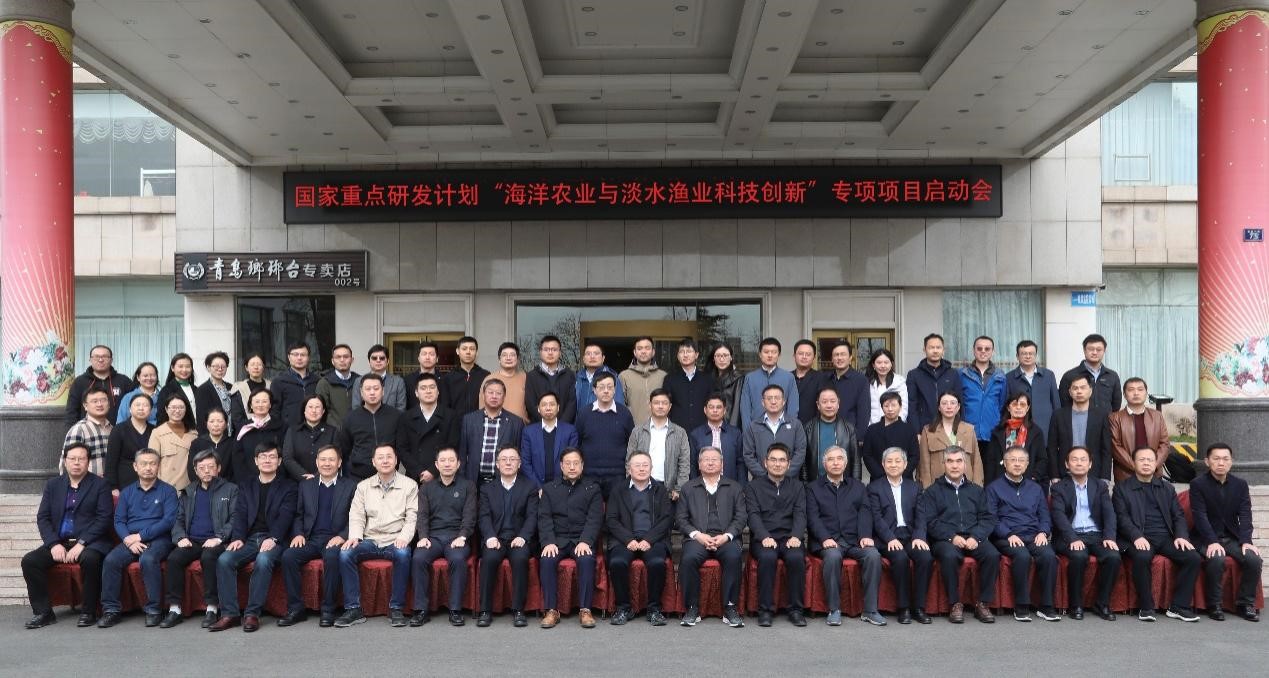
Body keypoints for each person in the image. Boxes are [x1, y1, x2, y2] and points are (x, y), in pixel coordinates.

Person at [21, 443, 113, 629]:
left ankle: (89, 611)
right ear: (65, 461)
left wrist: (82, 543)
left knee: (90, 559)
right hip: (60, 542)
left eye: (81, 459)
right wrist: (54, 543)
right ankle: (43, 613)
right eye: (72, 459)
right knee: (30, 561)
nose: (76, 463)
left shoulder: (100, 485)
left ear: (88, 462)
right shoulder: (53, 485)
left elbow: (104, 518)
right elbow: (43, 517)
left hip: (90, 542)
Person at [209, 443, 298, 632]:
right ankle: (230, 614)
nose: (267, 460)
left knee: (264, 560)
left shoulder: (289, 486)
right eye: (263, 456)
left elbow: (286, 515)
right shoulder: (246, 485)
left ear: (279, 461)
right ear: (256, 461)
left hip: (275, 539)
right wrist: (238, 537)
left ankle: (252, 614)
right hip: (249, 539)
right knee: (224, 560)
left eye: (272, 457)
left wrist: (273, 538)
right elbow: (240, 513)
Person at [1114, 447, 1201, 622]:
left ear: (1156, 464)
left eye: (1150, 460)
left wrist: (1181, 536)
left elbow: (1178, 516)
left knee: (1192, 557)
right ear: (1133, 463)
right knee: (1142, 556)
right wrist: (1136, 536)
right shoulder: (1122, 489)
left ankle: (1178, 606)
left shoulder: (1166, 488)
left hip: (1165, 537)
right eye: (1142, 460)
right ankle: (1146, 607)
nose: (1146, 463)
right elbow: (1122, 518)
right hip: (1139, 537)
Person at [337, 444, 419, 628]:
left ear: (396, 460)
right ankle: (353, 608)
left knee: (403, 554)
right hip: (370, 539)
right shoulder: (363, 486)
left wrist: (404, 538)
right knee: (345, 554)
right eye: (380, 457)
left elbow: (412, 517)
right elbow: (356, 515)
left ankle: (396, 608)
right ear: (373, 462)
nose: (385, 461)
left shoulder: (410, 485)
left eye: (389, 457)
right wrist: (355, 536)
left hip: (395, 538)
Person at [915, 446, 999, 624]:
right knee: (949, 555)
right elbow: (930, 521)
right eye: (950, 461)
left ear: (965, 464)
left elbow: (988, 518)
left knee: (992, 554)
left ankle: (983, 604)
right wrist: (952, 537)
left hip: (974, 537)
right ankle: (955, 604)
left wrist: (976, 537)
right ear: (943, 464)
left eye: (959, 461)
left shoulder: (977, 490)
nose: (955, 466)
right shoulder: (932, 492)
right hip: (945, 539)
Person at [97, 448, 178, 628]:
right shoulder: (127, 492)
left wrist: (140, 536)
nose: (148, 467)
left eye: (152, 463)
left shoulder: (168, 491)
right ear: (135, 466)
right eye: (144, 464)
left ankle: (154, 610)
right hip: (130, 540)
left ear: (158, 466)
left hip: (159, 539)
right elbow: (119, 520)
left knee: (148, 559)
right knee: (111, 561)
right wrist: (127, 539)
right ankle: (111, 610)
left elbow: (168, 521)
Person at [278, 445, 357, 628]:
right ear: (316, 462)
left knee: (332, 557)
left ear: (339, 463)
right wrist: (298, 533)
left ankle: (328, 609)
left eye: (331, 460)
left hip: (335, 538)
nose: (326, 463)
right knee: (288, 556)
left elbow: (356, 516)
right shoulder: (306, 485)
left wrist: (343, 536)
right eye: (323, 460)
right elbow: (298, 515)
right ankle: (296, 609)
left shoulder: (350, 486)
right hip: (311, 538)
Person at [807, 445, 887, 626]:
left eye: (839, 459)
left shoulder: (858, 487)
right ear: (824, 464)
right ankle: (834, 609)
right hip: (828, 541)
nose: (835, 463)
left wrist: (865, 535)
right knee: (833, 556)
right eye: (831, 459)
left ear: (846, 463)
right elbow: (812, 517)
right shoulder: (813, 488)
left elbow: (865, 512)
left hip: (854, 540)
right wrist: (825, 538)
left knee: (873, 555)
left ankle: (870, 610)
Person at [160, 448, 238, 629]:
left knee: (208, 557)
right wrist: (180, 537)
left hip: (217, 540)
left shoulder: (231, 489)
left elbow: (235, 518)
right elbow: (178, 519)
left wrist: (219, 537)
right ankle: (174, 609)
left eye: (211, 466)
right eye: (202, 468)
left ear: (219, 468)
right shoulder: (189, 491)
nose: (207, 471)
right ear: (195, 470)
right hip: (192, 540)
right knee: (174, 558)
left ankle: (212, 608)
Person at [985, 446, 1060, 622]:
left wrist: (1043, 532)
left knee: (1049, 556)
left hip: (1033, 535)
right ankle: (1021, 605)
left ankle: (1046, 606)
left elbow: (1044, 515)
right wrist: (1008, 534)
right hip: (1006, 536)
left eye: (1021, 460)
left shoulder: (1035, 488)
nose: (1017, 464)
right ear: (1005, 463)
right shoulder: (993, 488)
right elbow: (991, 518)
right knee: (1022, 555)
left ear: (1027, 465)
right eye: (1013, 460)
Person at [1189, 443, 1262, 622]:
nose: (1221, 463)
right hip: (1204, 537)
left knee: (1253, 559)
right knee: (1216, 558)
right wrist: (1212, 541)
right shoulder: (1198, 484)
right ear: (1207, 461)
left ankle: (1245, 604)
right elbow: (1200, 516)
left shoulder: (1240, 485)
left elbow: (1245, 515)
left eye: (1225, 459)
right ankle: (1214, 605)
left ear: (1231, 462)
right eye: (1216, 459)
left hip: (1231, 537)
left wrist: (1246, 541)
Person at [676, 446, 747, 628]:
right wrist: (697, 535)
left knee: (733, 557)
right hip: (698, 538)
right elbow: (681, 519)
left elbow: (741, 517)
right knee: (689, 558)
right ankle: (692, 607)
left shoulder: (734, 487)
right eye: (706, 459)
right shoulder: (688, 488)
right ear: (699, 464)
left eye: (714, 459)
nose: (710, 463)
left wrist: (727, 536)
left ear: (722, 464)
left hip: (726, 538)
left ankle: (730, 607)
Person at [1050, 446, 1121, 621]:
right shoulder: (1059, 488)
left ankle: (1102, 603)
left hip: (1095, 535)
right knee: (1079, 556)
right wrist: (1072, 538)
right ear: (1067, 464)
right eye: (1074, 459)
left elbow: (1109, 514)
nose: (1079, 463)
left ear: (1090, 464)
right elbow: (1059, 516)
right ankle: (1076, 604)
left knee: (1113, 556)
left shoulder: (1100, 486)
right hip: (1069, 535)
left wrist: (1109, 537)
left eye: (1083, 459)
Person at [409, 447, 476, 627]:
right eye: (443, 461)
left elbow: (470, 515)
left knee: (458, 559)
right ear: (437, 465)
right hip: (433, 538)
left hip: (457, 537)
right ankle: (421, 610)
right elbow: (422, 516)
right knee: (418, 558)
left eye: (451, 460)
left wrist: (462, 536)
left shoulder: (468, 486)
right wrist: (423, 536)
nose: (447, 464)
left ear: (458, 464)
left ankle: (455, 610)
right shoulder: (426, 488)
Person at [537, 448, 603, 629]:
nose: (572, 467)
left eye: (576, 463)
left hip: (581, 540)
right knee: (547, 559)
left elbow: (594, 518)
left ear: (582, 465)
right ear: (561, 466)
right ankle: (551, 610)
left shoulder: (593, 488)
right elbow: (544, 518)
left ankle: (585, 610)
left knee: (586, 559)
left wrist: (585, 541)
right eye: (568, 463)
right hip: (557, 540)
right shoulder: (549, 489)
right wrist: (548, 541)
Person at [745, 443, 810, 627]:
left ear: (788, 464)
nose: (777, 464)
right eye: (773, 460)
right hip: (763, 538)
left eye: (782, 460)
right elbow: (753, 515)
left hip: (790, 538)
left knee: (796, 558)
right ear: (765, 463)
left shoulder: (797, 486)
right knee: (767, 558)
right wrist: (764, 536)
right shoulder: (753, 487)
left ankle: (796, 610)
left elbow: (800, 514)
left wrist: (796, 535)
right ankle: (765, 610)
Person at [606, 450, 673, 626]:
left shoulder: (660, 490)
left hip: (653, 539)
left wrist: (648, 540)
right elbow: (611, 519)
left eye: (645, 465)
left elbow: (666, 519)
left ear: (651, 468)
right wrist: (628, 539)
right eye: (637, 465)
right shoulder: (618, 490)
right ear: (629, 469)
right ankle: (623, 608)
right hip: (624, 540)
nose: (642, 469)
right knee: (617, 562)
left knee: (657, 562)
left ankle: (654, 609)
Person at [866, 447, 933, 624]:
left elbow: (921, 516)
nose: (893, 465)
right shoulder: (874, 488)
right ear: (883, 464)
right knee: (900, 558)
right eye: (889, 461)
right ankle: (904, 608)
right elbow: (876, 518)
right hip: (887, 537)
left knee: (925, 557)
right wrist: (890, 538)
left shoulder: (915, 487)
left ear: (905, 464)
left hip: (910, 535)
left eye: (898, 461)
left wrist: (919, 536)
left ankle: (919, 607)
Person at [476, 446, 538, 628]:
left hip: (518, 538)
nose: (508, 463)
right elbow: (484, 516)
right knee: (489, 559)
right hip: (496, 538)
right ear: (497, 464)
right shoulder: (487, 489)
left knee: (520, 559)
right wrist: (489, 537)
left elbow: (532, 516)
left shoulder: (529, 487)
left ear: (519, 464)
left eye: (513, 459)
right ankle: (485, 610)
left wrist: (523, 536)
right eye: (504, 459)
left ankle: (518, 610)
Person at [573, 372, 635, 492]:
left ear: (615, 390)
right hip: (589, 475)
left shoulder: (624, 414)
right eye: (601, 387)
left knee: (616, 505)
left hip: (618, 475)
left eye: (609, 387)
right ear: (594, 390)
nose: (606, 391)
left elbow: (631, 444)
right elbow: (577, 443)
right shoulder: (584, 414)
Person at [396, 373, 461, 485]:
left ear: (438, 391)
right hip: (415, 476)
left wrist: (433, 471)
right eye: (423, 388)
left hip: (443, 475)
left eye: (432, 387)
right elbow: (402, 449)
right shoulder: (406, 417)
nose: (428, 391)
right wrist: (419, 471)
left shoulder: (450, 416)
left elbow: (453, 445)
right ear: (416, 393)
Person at [626, 388, 691, 498]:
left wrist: (679, 489)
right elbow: (629, 460)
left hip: (669, 491)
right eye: (656, 403)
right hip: (641, 487)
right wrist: (632, 485)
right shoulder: (638, 431)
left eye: (664, 403)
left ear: (670, 406)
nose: (660, 406)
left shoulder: (680, 433)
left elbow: (684, 463)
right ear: (650, 405)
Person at [1047, 374, 1114, 481]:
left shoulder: (1101, 415)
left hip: (1094, 473)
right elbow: (1052, 448)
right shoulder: (1058, 415)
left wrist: (1105, 477)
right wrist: (1054, 475)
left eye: (1083, 388)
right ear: (1070, 392)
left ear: (1090, 391)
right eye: (1075, 388)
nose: (1079, 391)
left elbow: (1106, 449)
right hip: (1065, 473)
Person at [338, 374, 403, 480]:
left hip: (390, 474)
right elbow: (345, 449)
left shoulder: (396, 416)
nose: (372, 392)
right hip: (358, 476)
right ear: (361, 392)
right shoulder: (350, 418)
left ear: (383, 391)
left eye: (376, 389)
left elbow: (401, 446)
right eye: (368, 389)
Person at [460, 379, 526, 484]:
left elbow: (519, 455)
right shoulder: (469, 420)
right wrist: (462, 480)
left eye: (499, 393)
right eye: (490, 392)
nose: (494, 396)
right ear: (483, 395)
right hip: (473, 481)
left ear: (504, 397)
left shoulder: (516, 422)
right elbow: (463, 454)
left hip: (502, 482)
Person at [1107, 378, 1170, 482]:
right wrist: (1136, 466)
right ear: (1124, 394)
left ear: (1146, 393)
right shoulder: (1115, 418)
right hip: (1126, 476)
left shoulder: (1157, 416)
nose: (1136, 393)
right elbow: (1115, 447)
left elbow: (1165, 444)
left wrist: (1153, 465)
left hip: (1154, 475)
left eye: (1140, 389)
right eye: (1131, 390)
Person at [742, 384, 808, 481]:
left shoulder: (795, 425)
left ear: (784, 401)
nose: (773, 402)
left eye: (777, 398)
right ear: (763, 402)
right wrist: (765, 476)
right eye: (769, 398)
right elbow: (748, 455)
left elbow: (800, 452)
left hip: (789, 481)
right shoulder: (753, 426)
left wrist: (785, 474)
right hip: (761, 482)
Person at [916, 391, 982, 488]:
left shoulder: (969, 430)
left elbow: (976, 462)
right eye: (944, 403)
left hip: (966, 488)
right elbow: (924, 465)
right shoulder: (928, 431)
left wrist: (977, 489)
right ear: (939, 407)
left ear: (958, 407)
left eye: (952, 403)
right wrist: (927, 490)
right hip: (938, 488)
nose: (949, 406)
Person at [985, 392, 1048, 486]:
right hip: (1001, 484)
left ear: (1027, 408)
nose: (1018, 407)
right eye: (1014, 404)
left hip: (1027, 484)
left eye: (1022, 405)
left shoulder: (1036, 432)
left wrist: (1033, 478)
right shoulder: (998, 432)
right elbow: (991, 461)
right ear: (1008, 407)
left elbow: (1042, 460)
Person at [960, 336, 1007, 460]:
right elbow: (959, 403)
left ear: (993, 351)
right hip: (968, 432)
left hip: (992, 432)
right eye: (979, 348)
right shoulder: (962, 374)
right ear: (973, 350)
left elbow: (1002, 404)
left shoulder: (1000, 376)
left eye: (987, 349)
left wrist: (997, 425)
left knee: (990, 469)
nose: (983, 351)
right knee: (969, 469)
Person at [66, 344, 133, 426]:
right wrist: (73, 429)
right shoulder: (80, 382)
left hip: (119, 430)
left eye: (104, 357)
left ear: (111, 360)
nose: (100, 360)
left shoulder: (123, 381)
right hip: (88, 431)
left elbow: (134, 405)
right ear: (90, 360)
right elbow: (71, 410)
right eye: (96, 357)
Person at [906, 333, 961, 431]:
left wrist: (958, 428)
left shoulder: (953, 373)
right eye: (931, 347)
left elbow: (960, 402)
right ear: (924, 350)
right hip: (924, 428)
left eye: (938, 347)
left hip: (950, 427)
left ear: (943, 350)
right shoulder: (914, 375)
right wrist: (916, 431)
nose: (935, 351)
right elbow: (912, 406)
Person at [521, 391, 578, 485]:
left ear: (558, 407)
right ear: (538, 409)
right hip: (536, 487)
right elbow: (525, 462)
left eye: (552, 404)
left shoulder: (570, 431)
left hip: (562, 486)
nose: (548, 408)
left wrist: (558, 488)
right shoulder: (528, 432)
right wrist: (538, 487)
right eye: (544, 405)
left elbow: (572, 460)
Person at [739, 337, 798, 427]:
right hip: (756, 429)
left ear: (779, 355)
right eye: (766, 352)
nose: (770, 355)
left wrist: (789, 429)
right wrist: (748, 431)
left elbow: (793, 408)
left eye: (774, 352)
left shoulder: (789, 378)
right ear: (760, 354)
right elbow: (745, 409)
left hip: (782, 428)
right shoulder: (750, 378)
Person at [1005, 340, 1061, 435]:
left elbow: (1056, 403)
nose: (1028, 356)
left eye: (1031, 353)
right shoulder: (1009, 377)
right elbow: (1006, 405)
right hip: (1018, 429)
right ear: (1017, 356)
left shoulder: (1048, 375)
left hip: (1046, 428)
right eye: (1024, 354)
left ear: (1036, 356)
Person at [803, 386, 858, 483]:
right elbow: (804, 463)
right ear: (818, 405)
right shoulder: (808, 428)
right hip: (815, 484)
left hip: (843, 485)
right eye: (824, 402)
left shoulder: (849, 429)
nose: (829, 405)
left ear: (838, 404)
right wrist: (805, 485)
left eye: (832, 401)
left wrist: (856, 485)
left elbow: (856, 462)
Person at [861, 392, 919, 481]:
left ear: (900, 406)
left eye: (893, 405)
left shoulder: (909, 430)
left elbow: (914, 456)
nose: (890, 409)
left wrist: (901, 474)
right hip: (879, 479)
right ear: (882, 407)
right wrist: (880, 475)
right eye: (886, 406)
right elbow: (867, 455)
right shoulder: (872, 430)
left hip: (904, 479)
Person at [232, 389, 286, 484]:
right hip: (248, 482)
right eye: (257, 401)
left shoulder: (281, 426)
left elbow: (285, 455)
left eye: (264, 401)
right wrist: (243, 482)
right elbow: (237, 457)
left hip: (276, 481)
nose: (260, 405)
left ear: (270, 404)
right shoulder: (243, 427)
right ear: (251, 405)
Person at [1058, 333, 1122, 413]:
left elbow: (1116, 405)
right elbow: (1064, 402)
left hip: (1106, 420)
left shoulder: (1112, 376)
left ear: (1104, 351)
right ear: (1084, 350)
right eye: (1091, 349)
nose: (1094, 352)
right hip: (1078, 419)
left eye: (1099, 350)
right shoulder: (1070, 375)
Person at [688, 394, 745, 482]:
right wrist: (695, 485)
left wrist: (741, 486)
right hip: (703, 486)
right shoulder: (696, 434)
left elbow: (741, 463)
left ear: (724, 410)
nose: (715, 410)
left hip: (730, 485)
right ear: (705, 410)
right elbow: (692, 465)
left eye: (718, 407)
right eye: (711, 407)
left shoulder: (735, 433)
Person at [105, 393, 154, 493]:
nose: (141, 408)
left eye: (145, 405)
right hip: (125, 483)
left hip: (150, 482)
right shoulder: (118, 430)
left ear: (150, 410)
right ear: (130, 409)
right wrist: (113, 487)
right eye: (137, 405)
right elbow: (111, 461)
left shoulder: (154, 430)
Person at [663, 337, 714, 434]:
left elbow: (712, 405)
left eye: (689, 351)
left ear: (696, 355)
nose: (685, 354)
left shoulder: (707, 379)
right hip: (677, 432)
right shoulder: (670, 379)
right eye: (682, 351)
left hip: (703, 432)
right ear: (678, 356)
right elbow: (666, 405)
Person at [282, 395, 337, 482]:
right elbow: (288, 458)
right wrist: (304, 476)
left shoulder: (332, 432)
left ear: (323, 411)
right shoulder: (293, 431)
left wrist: (317, 476)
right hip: (296, 482)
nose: (314, 410)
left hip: (325, 481)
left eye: (317, 407)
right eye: (310, 407)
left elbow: (336, 458)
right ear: (304, 410)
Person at [524, 335, 577, 424]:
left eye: (554, 350)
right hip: (539, 427)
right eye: (546, 350)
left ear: (560, 353)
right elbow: (530, 403)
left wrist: (561, 425)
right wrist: (547, 423)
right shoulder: (532, 376)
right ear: (540, 352)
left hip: (565, 427)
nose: (550, 353)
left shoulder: (569, 375)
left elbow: (572, 402)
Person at [62, 386, 113, 477]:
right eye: (94, 401)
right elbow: (67, 461)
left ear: (108, 404)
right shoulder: (79, 429)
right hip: (86, 483)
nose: (99, 404)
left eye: (103, 400)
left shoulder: (112, 429)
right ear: (85, 406)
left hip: (108, 483)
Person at [824, 339, 871, 438]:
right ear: (832, 359)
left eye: (843, 354)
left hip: (850, 435)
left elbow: (864, 412)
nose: (839, 358)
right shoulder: (825, 379)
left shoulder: (860, 380)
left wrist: (859, 437)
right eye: (836, 355)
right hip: (826, 432)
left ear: (850, 358)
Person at [270, 341, 321, 430]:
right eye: (295, 354)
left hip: (314, 430)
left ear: (308, 357)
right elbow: (274, 411)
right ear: (289, 357)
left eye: (303, 355)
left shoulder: (317, 381)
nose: (299, 358)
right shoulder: (279, 381)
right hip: (288, 431)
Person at [151, 393, 196, 492]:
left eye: (181, 407)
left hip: (189, 488)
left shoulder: (194, 434)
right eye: (173, 407)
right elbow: (152, 462)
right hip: (166, 487)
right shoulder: (157, 433)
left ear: (186, 409)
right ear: (166, 409)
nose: (177, 411)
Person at [620, 336, 666, 427]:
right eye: (639, 348)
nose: (643, 351)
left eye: (647, 348)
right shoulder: (624, 376)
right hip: (633, 429)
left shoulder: (663, 376)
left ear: (653, 352)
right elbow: (620, 406)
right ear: (635, 352)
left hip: (659, 429)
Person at [442, 335, 490, 415]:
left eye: (472, 349)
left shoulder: (485, 376)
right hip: (456, 421)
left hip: (479, 421)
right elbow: (445, 406)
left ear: (477, 352)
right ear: (457, 351)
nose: (468, 352)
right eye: (464, 349)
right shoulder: (448, 378)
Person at [190, 409, 240, 484]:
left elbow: (237, 470)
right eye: (212, 421)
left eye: (220, 421)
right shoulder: (197, 443)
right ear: (206, 424)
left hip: (227, 487)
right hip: (202, 486)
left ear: (226, 424)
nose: (216, 425)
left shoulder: (233, 443)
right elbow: (192, 469)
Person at [351, 344, 407, 411]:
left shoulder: (398, 382)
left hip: (392, 417)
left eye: (382, 358)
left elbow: (401, 408)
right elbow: (356, 407)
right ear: (369, 361)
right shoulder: (359, 381)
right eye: (374, 358)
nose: (378, 360)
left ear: (388, 361)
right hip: (365, 418)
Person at [482, 342, 528, 421]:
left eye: (512, 355)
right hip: (496, 425)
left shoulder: (526, 378)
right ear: (499, 359)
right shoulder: (489, 379)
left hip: (522, 425)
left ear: (517, 359)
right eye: (504, 355)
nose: (508, 358)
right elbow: (482, 406)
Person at [315, 343, 358, 428]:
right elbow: (321, 410)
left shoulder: (359, 381)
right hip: (333, 431)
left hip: (357, 430)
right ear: (332, 361)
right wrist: (338, 428)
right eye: (338, 357)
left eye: (346, 357)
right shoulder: (324, 383)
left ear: (352, 360)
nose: (342, 360)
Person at [575, 341, 625, 412]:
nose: (592, 357)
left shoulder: (612, 378)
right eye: (588, 354)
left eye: (596, 353)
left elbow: (619, 406)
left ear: (603, 358)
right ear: (583, 358)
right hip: (580, 419)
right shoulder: (577, 378)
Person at [194, 352, 233, 435]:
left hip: (232, 435)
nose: (220, 369)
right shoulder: (202, 390)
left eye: (223, 366)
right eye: (216, 366)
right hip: (214, 436)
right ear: (208, 368)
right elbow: (202, 418)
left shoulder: (231, 387)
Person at [229, 353, 270, 433]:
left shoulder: (271, 386)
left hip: (269, 430)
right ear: (246, 368)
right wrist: (253, 426)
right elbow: (236, 418)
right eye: (252, 364)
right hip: (245, 432)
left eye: (259, 364)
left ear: (263, 367)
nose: (256, 367)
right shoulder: (238, 388)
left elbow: (275, 411)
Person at [866, 348, 907, 425]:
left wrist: (897, 425)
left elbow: (904, 408)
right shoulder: (867, 383)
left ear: (891, 364)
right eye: (879, 362)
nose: (883, 366)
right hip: (872, 427)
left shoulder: (900, 382)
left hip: (895, 427)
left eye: (886, 362)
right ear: (873, 365)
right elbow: (864, 408)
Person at [791, 339, 828, 425]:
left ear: (814, 358)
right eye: (801, 353)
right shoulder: (787, 377)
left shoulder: (821, 378)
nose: (804, 357)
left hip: (813, 427)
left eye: (808, 354)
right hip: (789, 427)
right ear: (794, 356)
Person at [706, 342, 743, 425]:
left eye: (725, 355)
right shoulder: (708, 378)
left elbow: (736, 408)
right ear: (713, 358)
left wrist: (731, 429)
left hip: (729, 425)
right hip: (710, 425)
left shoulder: (738, 378)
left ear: (731, 358)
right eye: (718, 356)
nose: (722, 359)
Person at [157, 353, 198, 424]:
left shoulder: (196, 389)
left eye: (188, 366)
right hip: (177, 429)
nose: (184, 370)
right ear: (172, 368)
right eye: (180, 366)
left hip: (197, 429)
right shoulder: (166, 390)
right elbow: (161, 416)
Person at [403, 341, 444, 412]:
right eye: (424, 354)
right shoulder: (407, 381)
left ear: (437, 358)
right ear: (418, 358)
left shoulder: (445, 380)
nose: (427, 357)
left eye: (431, 354)